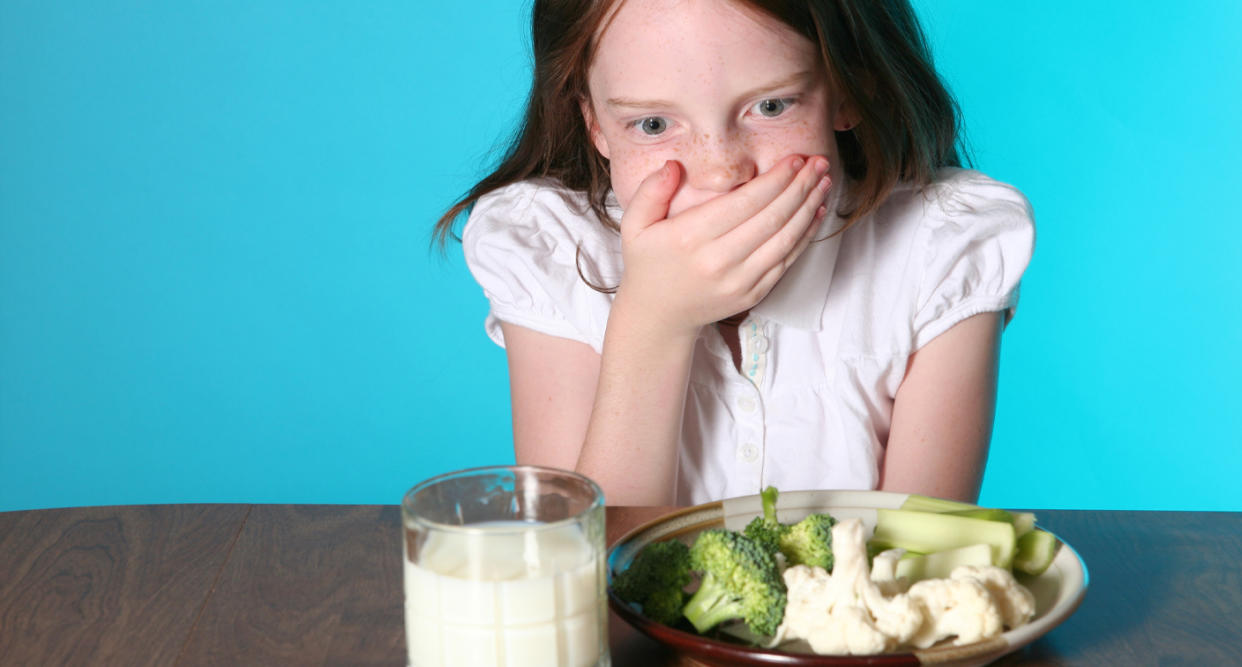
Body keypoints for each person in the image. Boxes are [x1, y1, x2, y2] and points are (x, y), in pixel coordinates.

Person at [436, 0, 1034, 507]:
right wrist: (653, 321)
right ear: (593, 123)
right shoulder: (553, 251)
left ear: (848, 91)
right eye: (651, 124)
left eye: (771, 107)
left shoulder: (943, 249)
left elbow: (916, 577)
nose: (721, 172)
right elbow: (587, 594)